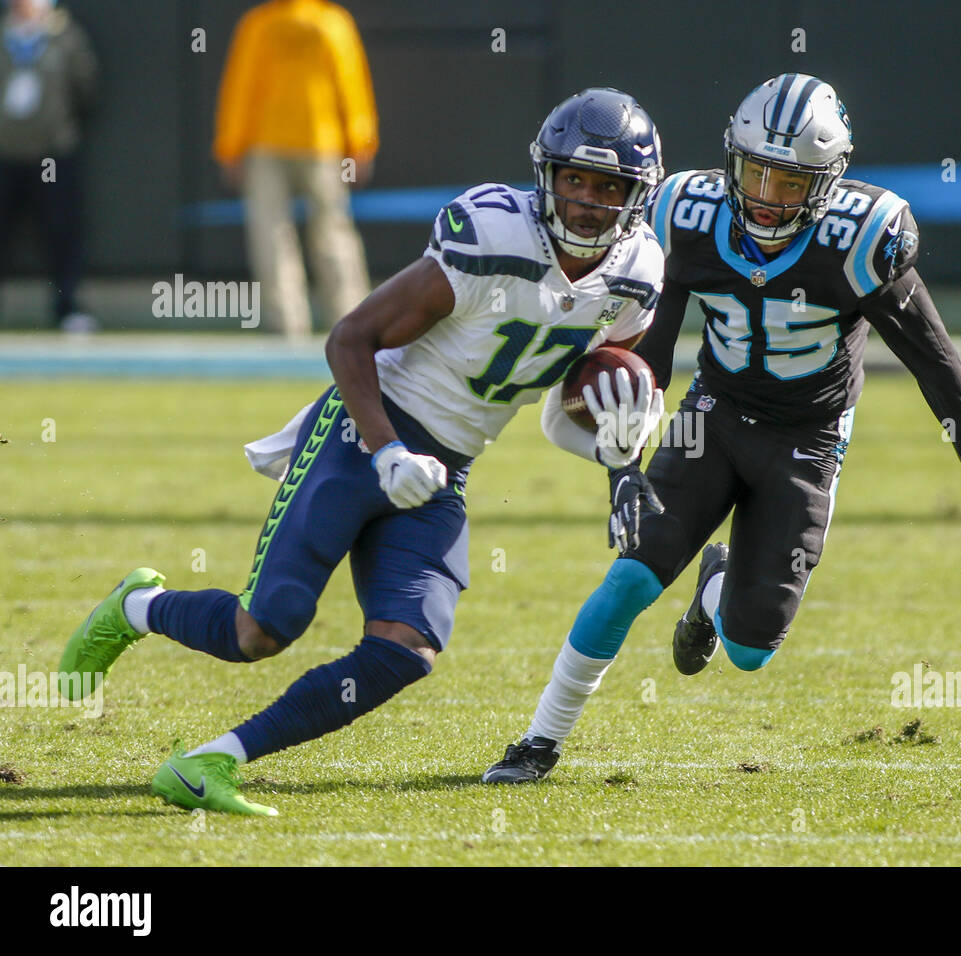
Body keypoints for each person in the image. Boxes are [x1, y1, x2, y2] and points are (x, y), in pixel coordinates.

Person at [58, 88, 667, 816]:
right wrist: (384, 453)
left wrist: (620, 453)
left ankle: (212, 761)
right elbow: (350, 336)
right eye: (574, 179)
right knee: (264, 629)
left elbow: (569, 411)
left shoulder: (636, 278)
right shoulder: (492, 238)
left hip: (449, 464)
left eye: (608, 186)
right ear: (547, 176)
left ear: (638, 195)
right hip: (363, 429)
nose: (588, 201)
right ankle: (140, 607)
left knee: (406, 649)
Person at [483, 73, 961, 784]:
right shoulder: (686, 212)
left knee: (750, 648)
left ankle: (716, 591)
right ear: (730, 160)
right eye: (757, 174)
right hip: (712, 415)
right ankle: (538, 742)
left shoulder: (863, 240)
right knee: (631, 576)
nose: (769, 199)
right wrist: (624, 466)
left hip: (807, 439)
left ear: (829, 182)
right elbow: (644, 357)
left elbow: (935, 361)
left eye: (791, 182)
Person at [213, 0, 378, 339]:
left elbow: (241, 87)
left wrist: (230, 146)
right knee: (333, 233)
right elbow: (351, 83)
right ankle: (352, 325)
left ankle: (289, 329)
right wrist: (360, 142)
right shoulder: (333, 22)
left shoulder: (259, 24)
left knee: (271, 236)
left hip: (267, 144)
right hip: (321, 142)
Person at [0, 0, 99, 333]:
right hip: (5, 151)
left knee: (61, 229)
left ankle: (67, 306)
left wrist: (60, 127)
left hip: (51, 153)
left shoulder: (64, 36)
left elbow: (86, 87)